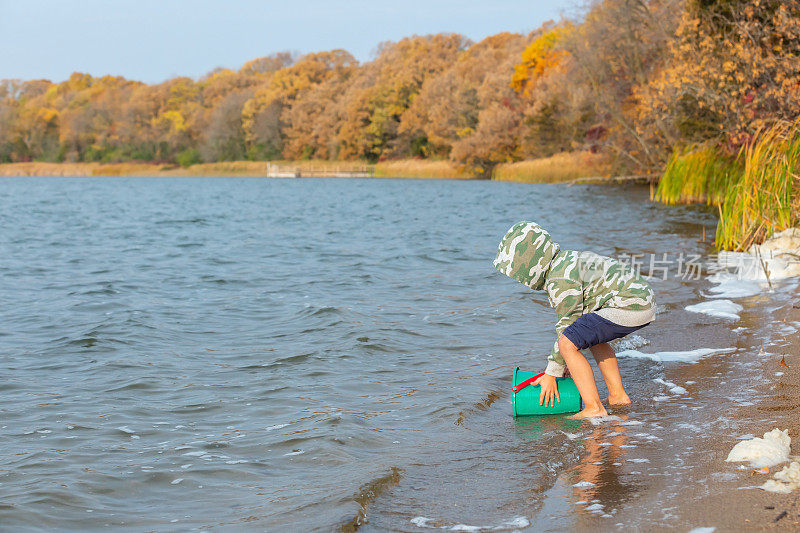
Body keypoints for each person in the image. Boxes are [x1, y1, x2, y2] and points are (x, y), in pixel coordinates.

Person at [493, 221, 656, 419]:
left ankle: (594, 408)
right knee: (592, 337)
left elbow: (566, 329)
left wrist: (552, 373)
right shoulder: (565, 261)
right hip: (639, 300)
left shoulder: (560, 279)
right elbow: (578, 325)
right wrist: (567, 365)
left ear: (531, 265)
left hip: (629, 304)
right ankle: (617, 396)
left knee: (566, 343)